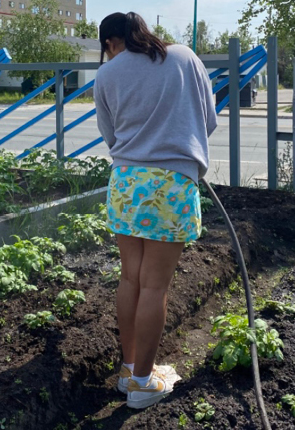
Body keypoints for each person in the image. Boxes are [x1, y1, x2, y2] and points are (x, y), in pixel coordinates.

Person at [94, 11, 217, 409]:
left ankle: (129, 371)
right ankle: (145, 385)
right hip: (171, 185)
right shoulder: (184, 57)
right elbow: (208, 119)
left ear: (111, 42)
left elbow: (111, 135)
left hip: (127, 184)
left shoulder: (107, 75)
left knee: (130, 280)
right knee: (154, 286)